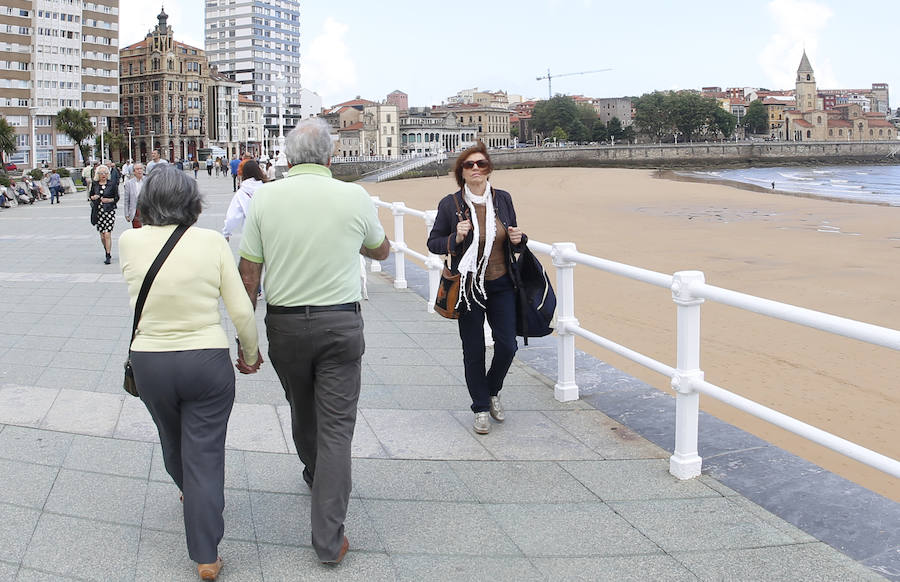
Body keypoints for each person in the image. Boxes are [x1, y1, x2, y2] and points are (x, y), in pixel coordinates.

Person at [237, 118, 390, 565]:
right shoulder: (353, 196)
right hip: (340, 324)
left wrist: (244, 337)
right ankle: (328, 539)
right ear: (330, 156)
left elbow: (250, 270)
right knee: (337, 428)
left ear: (286, 158)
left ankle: (313, 470)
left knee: (302, 408)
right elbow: (380, 250)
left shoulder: (265, 198)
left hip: (284, 326)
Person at [119, 165, 261, 581]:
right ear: (192, 202)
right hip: (206, 361)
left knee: (171, 435)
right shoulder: (211, 242)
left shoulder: (128, 242)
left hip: (150, 361)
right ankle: (205, 555)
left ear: (146, 203)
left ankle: (189, 488)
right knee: (205, 452)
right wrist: (250, 353)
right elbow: (240, 309)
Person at [426, 141, 526, 435]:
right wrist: (454, 239)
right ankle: (481, 407)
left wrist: (520, 239)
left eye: (481, 164)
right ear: (461, 172)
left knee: (508, 345)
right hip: (468, 288)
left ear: (488, 168)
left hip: (502, 284)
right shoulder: (451, 205)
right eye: (469, 165)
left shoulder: (503, 199)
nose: (475, 169)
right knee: (473, 350)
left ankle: (492, 390)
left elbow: (514, 238)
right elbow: (433, 244)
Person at [222, 159, 266, 241]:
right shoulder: (267, 188)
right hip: (269, 233)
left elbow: (232, 216)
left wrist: (226, 232)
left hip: (250, 234)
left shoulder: (242, 192)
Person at [89, 164, 120, 264]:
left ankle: (108, 254)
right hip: (99, 212)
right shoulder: (95, 184)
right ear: (97, 174)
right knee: (102, 235)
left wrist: (109, 200)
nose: (103, 175)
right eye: (101, 173)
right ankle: (106, 248)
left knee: (107, 234)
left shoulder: (112, 184)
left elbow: (116, 198)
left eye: (105, 173)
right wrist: (94, 197)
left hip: (109, 211)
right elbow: (91, 195)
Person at [122, 162, 146, 228]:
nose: (139, 170)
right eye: (137, 169)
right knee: (137, 230)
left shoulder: (148, 181)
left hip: (146, 210)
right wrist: (126, 214)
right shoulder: (129, 183)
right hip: (135, 211)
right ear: (134, 171)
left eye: (141, 168)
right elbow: (127, 200)